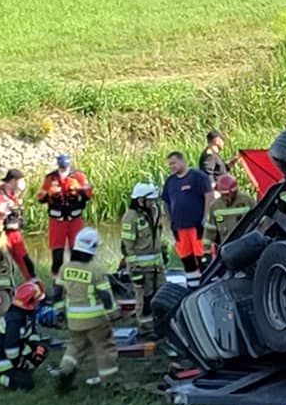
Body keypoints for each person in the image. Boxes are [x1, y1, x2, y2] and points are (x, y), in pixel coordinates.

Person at [52, 228, 119, 391]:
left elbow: (57, 293)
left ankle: (65, 373)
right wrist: (113, 314)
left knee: (75, 347)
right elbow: (105, 296)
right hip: (96, 319)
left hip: (74, 319)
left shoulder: (65, 268)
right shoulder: (96, 269)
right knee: (104, 348)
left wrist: (60, 312)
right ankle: (109, 382)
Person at [36, 153, 93, 284]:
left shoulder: (79, 176)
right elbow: (40, 197)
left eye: (65, 168)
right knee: (57, 254)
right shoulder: (50, 178)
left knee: (77, 252)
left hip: (74, 219)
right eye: (61, 169)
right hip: (57, 220)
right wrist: (49, 192)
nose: (63, 171)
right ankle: (57, 282)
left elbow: (89, 193)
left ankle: (77, 281)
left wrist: (79, 190)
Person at [162, 151, 213, 288]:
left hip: (197, 226)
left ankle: (208, 285)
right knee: (187, 260)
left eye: (173, 163)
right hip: (179, 228)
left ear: (182, 161)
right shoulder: (170, 181)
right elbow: (165, 202)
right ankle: (192, 287)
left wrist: (206, 217)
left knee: (203, 258)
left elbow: (209, 196)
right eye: (169, 164)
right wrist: (169, 220)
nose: (171, 167)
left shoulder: (198, 177)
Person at [121, 182, 165, 337]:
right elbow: (128, 248)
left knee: (160, 294)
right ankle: (145, 328)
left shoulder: (155, 211)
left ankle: (160, 324)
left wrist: (163, 251)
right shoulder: (131, 218)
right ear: (140, 200)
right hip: (141, 267)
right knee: (144, 298)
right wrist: (135, 270)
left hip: (157, 265)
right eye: (150, 200)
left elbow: (159, 235)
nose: (153, 203)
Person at [0, 280, 48, 391]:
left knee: (42, 351)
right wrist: (19, 362)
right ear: (30, 303)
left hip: (18, 350)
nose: (39, 303)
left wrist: (37, 345)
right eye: (37, 301)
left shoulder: (26, 314)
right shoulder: (14, 320)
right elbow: (10, 347)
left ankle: (22, 371)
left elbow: (32, 333)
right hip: (3, 359)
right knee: (26, 385)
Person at [0, 169, 35, 281]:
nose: (22, 184)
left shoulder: (13, 195)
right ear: (13, 181)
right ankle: (6, 294)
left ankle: (36, 290)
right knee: (5, 266)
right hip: (1, 235)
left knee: (27, 263)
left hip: (15, 235)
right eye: (21, 181)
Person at [203, 174, 255, 260]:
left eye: (227, 195)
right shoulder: (215, 206)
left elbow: (260, 222)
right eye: (222, 194)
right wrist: (206, 251)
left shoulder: (247, 201)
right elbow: (210, 230)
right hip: (227, 250)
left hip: (247, 247)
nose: (225, 197)